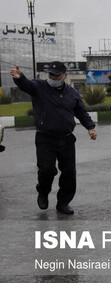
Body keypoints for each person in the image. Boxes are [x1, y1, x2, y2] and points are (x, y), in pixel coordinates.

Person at [10, 62, 97, 214]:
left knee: (69, 173)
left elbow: (81, 112)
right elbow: (26, 85)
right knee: (47, 170)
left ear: (65, 76)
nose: (53, 77)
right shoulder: (39, 87)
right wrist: (19, 78)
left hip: (67, 138)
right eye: (51, 74)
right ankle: (43, 192)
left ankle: (63, 203)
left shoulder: (73, 93)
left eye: (57, 75)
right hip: (45, 137)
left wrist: (90, 127)